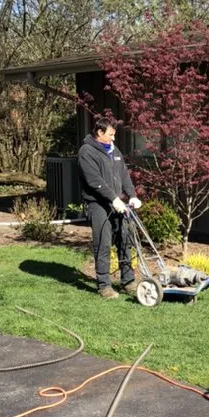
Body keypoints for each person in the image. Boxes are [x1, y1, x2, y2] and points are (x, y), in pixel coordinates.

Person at [78, 119, 142, 299]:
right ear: (99, 132)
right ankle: (104, 286)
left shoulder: (114, 151)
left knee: (125, 239)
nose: (113, 138)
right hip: (98, 204)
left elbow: (123, 174)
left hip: (118, 203)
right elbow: (94, 180)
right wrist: (113, 198)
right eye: (110, 134)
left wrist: (132, 195)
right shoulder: (87, 152)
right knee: (103, 244)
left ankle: (128, 281)